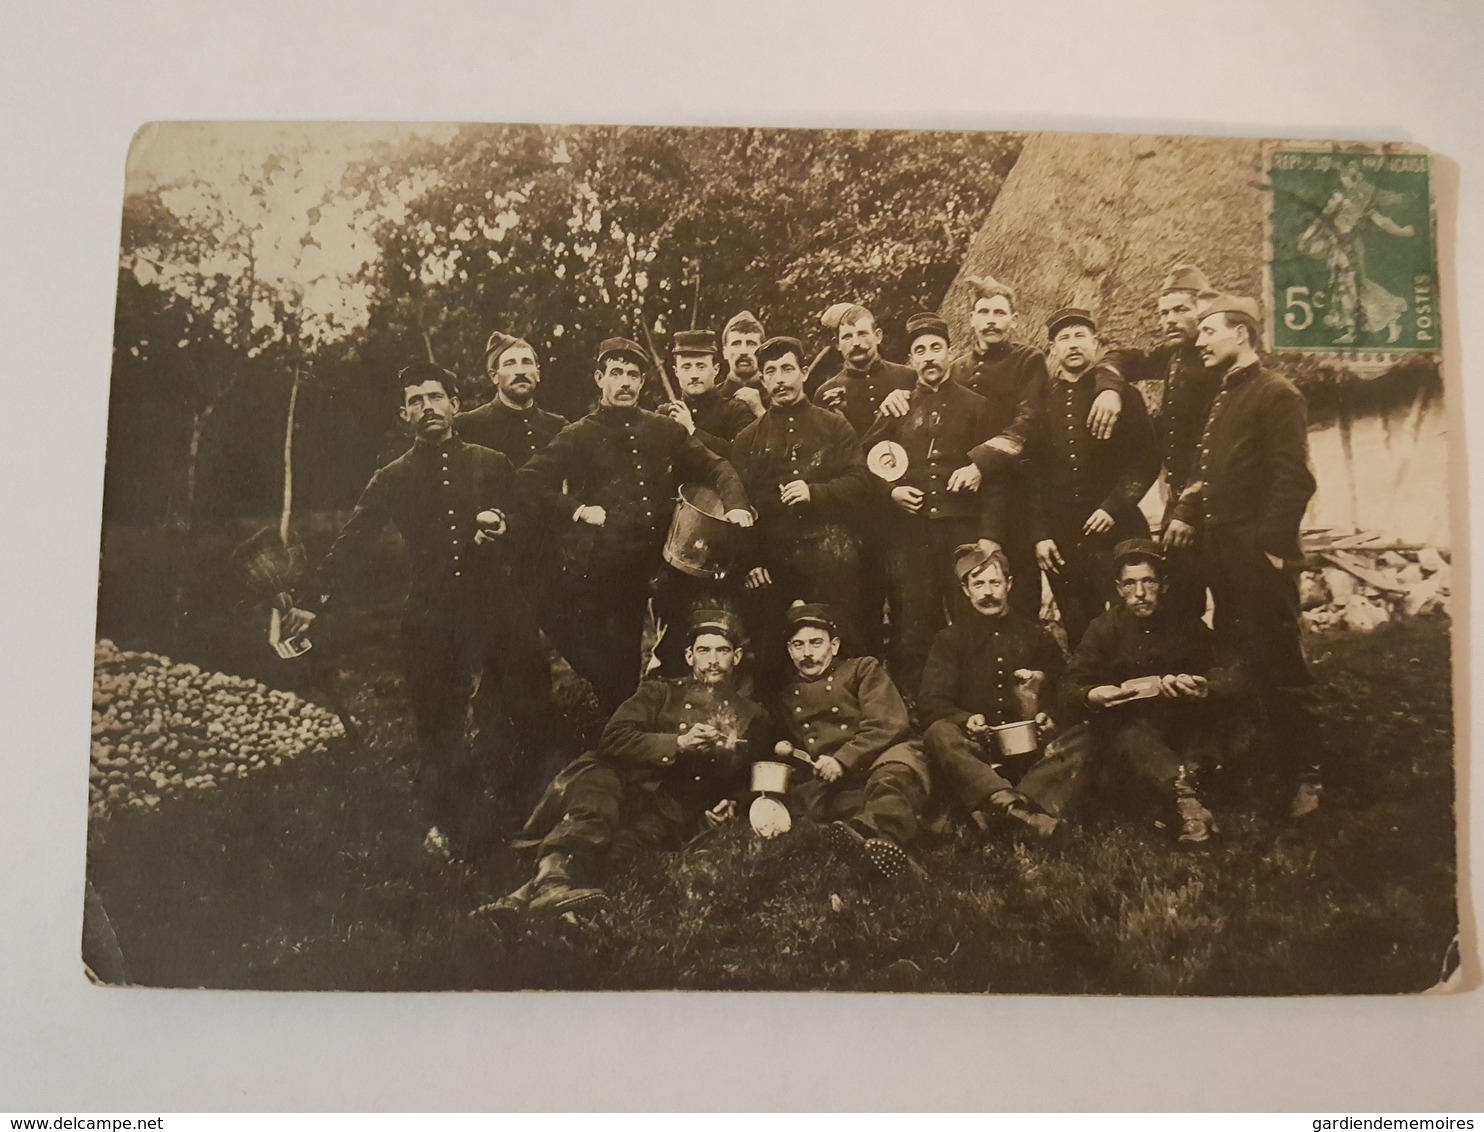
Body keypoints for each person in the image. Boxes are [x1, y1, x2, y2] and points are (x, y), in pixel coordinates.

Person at [283, 362, 554, 857]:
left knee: (527, 699)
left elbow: (530, 517)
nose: (428, 408)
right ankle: (447, 825)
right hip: (433, 611)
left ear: (455, 404)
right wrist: (312, 603)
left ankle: (526, 813)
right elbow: (353, 542)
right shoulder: (392, 477)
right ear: (403, 414)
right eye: (416, 401)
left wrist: (503, 525)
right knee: (437, 720)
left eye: (436, 397)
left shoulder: (491, 461)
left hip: (497, 604)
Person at [518, 337, 752, 712]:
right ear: (600, 378)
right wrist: (576, 509)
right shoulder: (580, 434)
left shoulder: (665, 429)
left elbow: (717, 466)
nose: (624, 382)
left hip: (667, 563)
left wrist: (736, 506)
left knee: (679, 651)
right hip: (611, 567)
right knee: (618, 670)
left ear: (643, 383)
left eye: (632, 375)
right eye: (616, 373)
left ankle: (678, 731)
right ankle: (621, 741)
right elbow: (528, 481)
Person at [876, 276, 1127, 621]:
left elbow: (1028, 420)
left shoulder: (1028, 360)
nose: (992, 320)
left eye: (999, 312)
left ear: (1014, 319)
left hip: (1019, 487)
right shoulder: (958, 367)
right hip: (974, 499)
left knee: (1020, 582)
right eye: (984, 312)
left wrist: (981, 462)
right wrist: (898, 394)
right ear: (972, 319)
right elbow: (931, 395)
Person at [494, 611, 768, 917]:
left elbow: (752, 772)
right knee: (593, 810)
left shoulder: (751, 715)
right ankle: (551, 886)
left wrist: (732, 801)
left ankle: (524, 898)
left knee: (620, 853)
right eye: (704, 651)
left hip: (667, 809)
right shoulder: (660, 691)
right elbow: (613, 738)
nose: (713, 660)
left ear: (738, 656)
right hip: (617, 778)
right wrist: (677, 743)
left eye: (723, 650)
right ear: (689, 657)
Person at [1166, 295, 1322, 816]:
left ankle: (1307, 776)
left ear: (1243, 335)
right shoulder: (1225, 395)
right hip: (1221, 551)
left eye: (1211, 330)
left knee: (1281, 662)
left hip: (1256, 555)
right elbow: (1208, 469)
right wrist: (1188, 508)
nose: (1201, 339)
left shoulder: (1277, 394)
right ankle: (1249, 767)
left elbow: (1293, 477)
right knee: (1234, 656)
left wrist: (1273, 550)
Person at [862, 311, 1003, 695]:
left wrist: (989, 537)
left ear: (950, 352)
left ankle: (978, 699)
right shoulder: (897, 406)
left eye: (936, 348)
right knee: (915, 624)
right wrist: (891, 492)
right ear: (911, 361)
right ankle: (921, 705)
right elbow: (863, 463)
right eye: (919, 351)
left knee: (969, 618)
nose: (928, 358)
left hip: (962, 532)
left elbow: (996, 480)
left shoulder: (977, 406)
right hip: (913, 537)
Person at [1066, 539, 1242, 845]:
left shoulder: (1186, 625)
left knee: (1222, 732)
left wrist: (1205, 687)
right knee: (1128, 736)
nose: (1140, 593)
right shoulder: (1102, 629)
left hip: (1182, 726)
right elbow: (1069, 687)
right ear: (1118, 588)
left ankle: (1180, 794)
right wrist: (1093, 695)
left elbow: (1232, 672)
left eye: (1149, 581)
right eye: (1130, 584)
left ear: (1163, 585)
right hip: (1130, 737)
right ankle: (1188, 805)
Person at [730, 335, 872, 692]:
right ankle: (778, 729)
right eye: (771, 372)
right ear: (762, 380)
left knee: (846, 641)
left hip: (830, 552)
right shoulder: (747, 440)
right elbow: (738, 505)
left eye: (788, 369)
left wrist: (815, 493)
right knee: (769, 650)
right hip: (773, 562)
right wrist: (750, 562)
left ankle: (859, 720)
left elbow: (861, 482)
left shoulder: (834, 426)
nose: (781, 379)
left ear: (803, 372)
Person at [918, 543, 1078, 839]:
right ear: (966, 590)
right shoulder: (950, 641)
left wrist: (1049, 715)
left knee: (1084, 733)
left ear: (1009, 585)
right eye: (978, 584)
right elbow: (930, 702)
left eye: (995, 582)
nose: (987, 592)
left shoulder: (1036, 636)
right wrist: (966, 720)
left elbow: (1066, 690)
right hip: (980, 754)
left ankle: (1004, 807)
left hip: (1034, 751)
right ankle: (1017, 812)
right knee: (939, 733)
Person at [1027, 307, 1160, 649]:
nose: (1073, 345)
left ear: (1096, 343)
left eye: (1080, 336)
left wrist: (1113, 507)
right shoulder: (1040, 404)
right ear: (1052, 349)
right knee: (1078, 628)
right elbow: (1032, 476)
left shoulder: (1123, 396)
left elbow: (1145, 462)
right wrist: (1040, 535)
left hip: (1119, 530)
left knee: (1132, 620)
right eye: (1064, 338)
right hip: (1064, 539)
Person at [776, 603, 931, 880]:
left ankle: (872, 836)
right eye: (798, 645)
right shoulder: (788, 696)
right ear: (789, 651)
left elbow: (887, 723)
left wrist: (843, 759)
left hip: (883, 756)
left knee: (890, 781)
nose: (807, 654)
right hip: (838, 781)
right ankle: (883, 853)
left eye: (816, 643)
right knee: (832, 806)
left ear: (834, 646)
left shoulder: (862, 669)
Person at [1112, 265, 1223, 621]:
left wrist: (1187, 511)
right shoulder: (1173, 358)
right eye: (1164, 312)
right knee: (1181, 596)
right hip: (1180, 503)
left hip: (1215, 504)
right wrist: (1109, 391)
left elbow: (1214, 447)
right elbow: (1122, 359)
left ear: (1202, 311)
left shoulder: (1220, 367)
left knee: (1232, 598)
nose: (1170, 320)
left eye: (1181, 310)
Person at [455, 331, 569, 468]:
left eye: (527, 363)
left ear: (537, 374)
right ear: (494, 376)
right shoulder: (467, 426)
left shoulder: (559, 427)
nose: (520, 371)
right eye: (510, 364)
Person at [812, 304, 917, 436]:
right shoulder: (825, 394)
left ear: (878, 336)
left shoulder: (908, 376)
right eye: (847, 337)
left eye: (862, 334)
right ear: (837, 344)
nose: (856, 343)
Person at [661, 328, 757, 458]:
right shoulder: (666, 413)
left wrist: (692, 431)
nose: (694, 375)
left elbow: (741, 456)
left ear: (715, 369)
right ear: (676, 371)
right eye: (686, 367)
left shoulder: (736, 411)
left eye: (701, 366)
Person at [719, 310, 768, 419]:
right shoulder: (713, 399)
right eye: (736, 344)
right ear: (725, 352)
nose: (743, 351)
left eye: (751, 344)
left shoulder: (777, 396)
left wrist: (760, 411)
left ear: (762, 352)